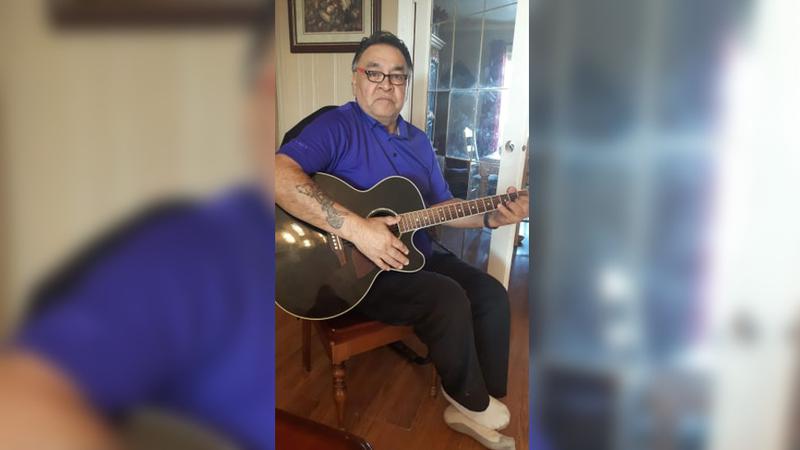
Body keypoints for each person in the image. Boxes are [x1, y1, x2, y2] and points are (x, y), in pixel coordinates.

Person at [0, 6, 277, 450]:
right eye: (269, 89)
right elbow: (15, 404)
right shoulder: (195, 250)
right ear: (252, 108)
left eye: (394, 78)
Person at [275, 31, 529, 434]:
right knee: (447, 297)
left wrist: (490, 219)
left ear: (406, 84)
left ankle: (480, 397)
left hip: (416, 251)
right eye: (374, 73)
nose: (385, 84)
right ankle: (466, 398)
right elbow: (278, 175)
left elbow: (442, 207)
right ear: (355, 78)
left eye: (397, 76)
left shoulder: (419, 141)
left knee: (491, 294)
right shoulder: (336, 125)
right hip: (356, 271)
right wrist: (359, 229)